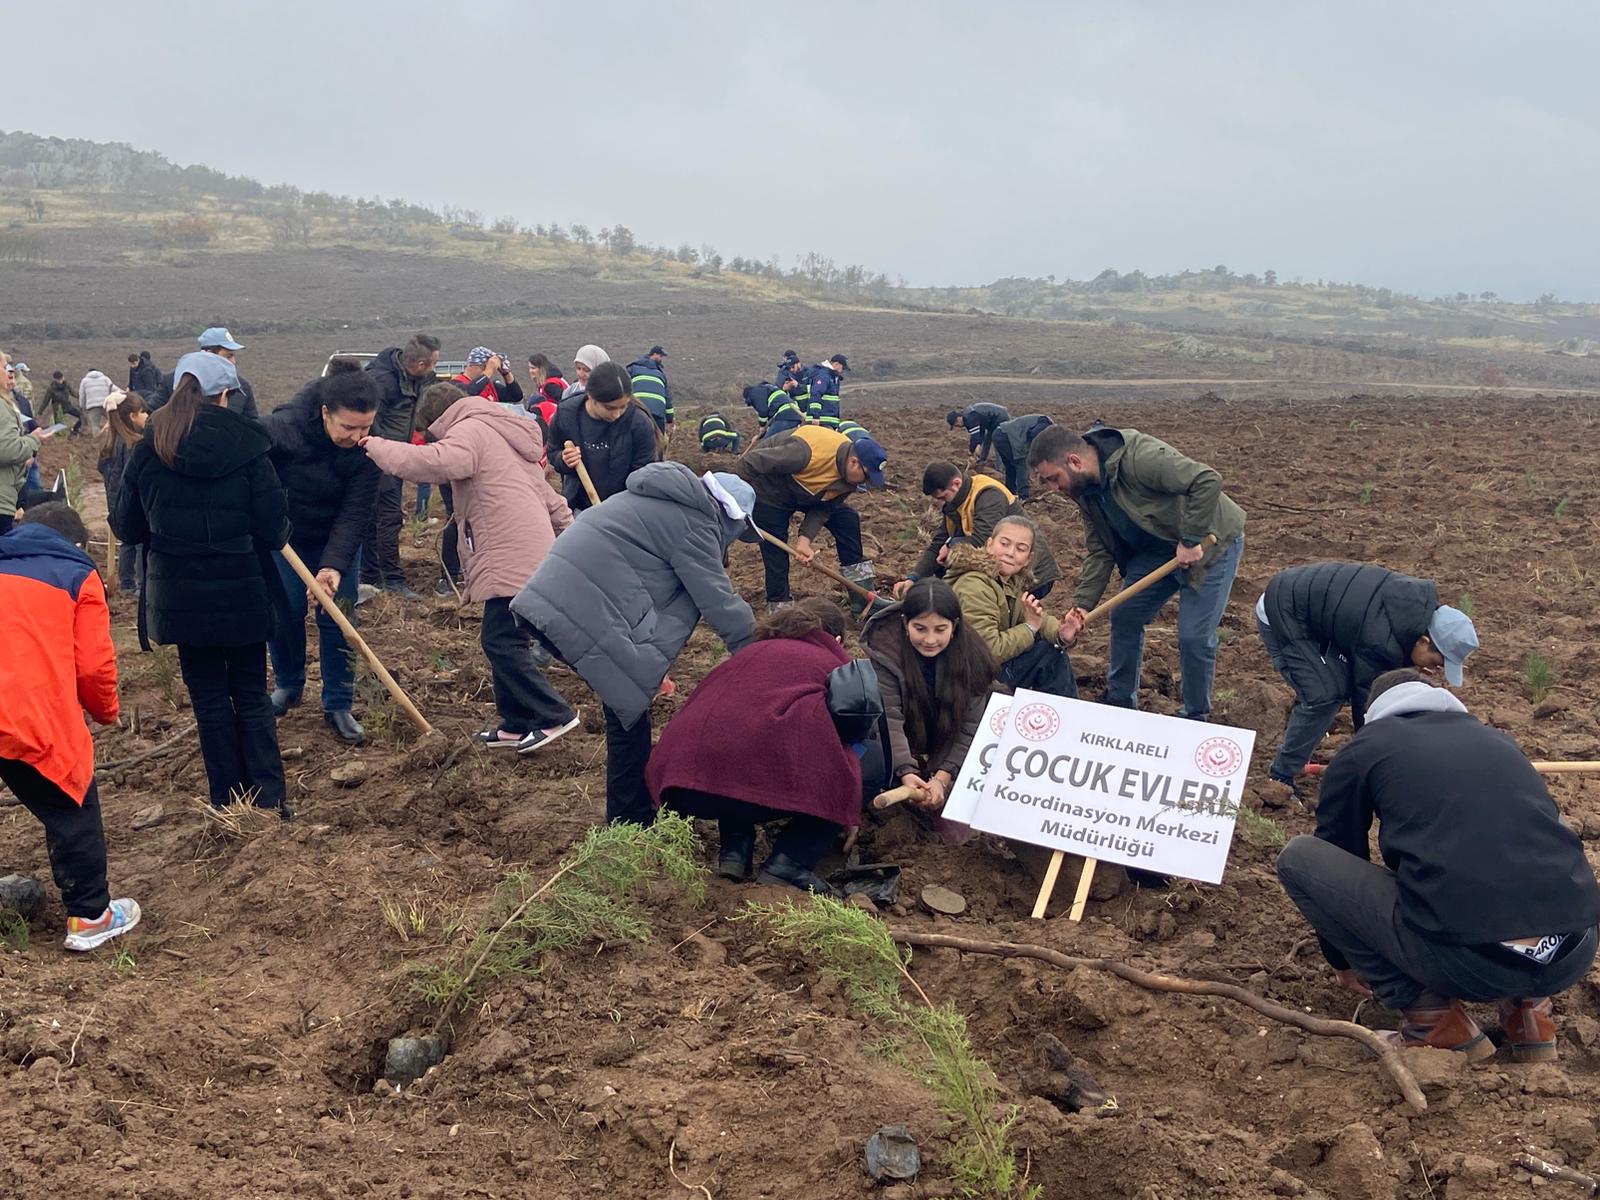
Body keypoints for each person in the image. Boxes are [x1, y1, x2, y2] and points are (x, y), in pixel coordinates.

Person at [1276, 669, 1600, 1060]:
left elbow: (1339, 851)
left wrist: (1344, 956)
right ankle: (1531, 1016)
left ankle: (1432, 1021)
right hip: (1574, 951)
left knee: (1299, 858)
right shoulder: (1498, 741)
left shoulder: (1364, 750)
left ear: (1375, 712)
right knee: (1525, 847)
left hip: (1471, 965)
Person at [511, 465, 758, 824]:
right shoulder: (696, 522)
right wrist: (760, 652)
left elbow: (640, 585)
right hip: (582, 606)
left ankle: (633, 813)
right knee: (629, 717)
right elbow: (718, 600)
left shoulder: (657, 500)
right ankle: (630, 821)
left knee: (630, 705)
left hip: (561, 597)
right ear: (732, 518)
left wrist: (650, 666)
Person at [111, 352, 292, 817]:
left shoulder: (152, 445)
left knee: (210, 700)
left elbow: (127, 529)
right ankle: (270, 803)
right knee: (251, 695)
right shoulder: (251, 447)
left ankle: (228, 804)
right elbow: (273, 531)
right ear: (227, 395)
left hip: (180, 598)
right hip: (243, 592)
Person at [365, 382, 579, 753]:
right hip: (526, 547)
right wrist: (572, 534)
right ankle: (515, 723)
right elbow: (548, 495)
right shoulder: (501, 432)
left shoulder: (468, 430)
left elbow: (435, 462)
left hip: (507, 548)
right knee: (505, 637)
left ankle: (552, 714)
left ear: (438, 420)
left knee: (502, 639)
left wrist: (374, 445)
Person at [1029, 424, 1245, 721]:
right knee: (1125, 616)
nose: (1054, 488)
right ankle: (1120, 701)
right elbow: (1100, 551)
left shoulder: (1139, 457)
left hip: (1211, 543)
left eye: (1054, 479)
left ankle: (1195, 717)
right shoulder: (1085, 492)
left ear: (1074, 462)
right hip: (1156, 550)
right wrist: (1081, 605)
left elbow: (1206, 480)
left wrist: (1191, 538)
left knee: (1193, 637)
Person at [648, 598, 863, 894]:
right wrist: (849, 803)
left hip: (678, 787)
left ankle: (735, 853)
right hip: (747, 792)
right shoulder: (835, 664)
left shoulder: (747, 655)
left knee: (738, 748)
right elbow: (856, 731)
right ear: (836, 639)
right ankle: (789, 864)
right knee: (847, 761)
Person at [0, 503, 141, 950]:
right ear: (78, 544)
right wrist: (105, 712)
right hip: (29, 715)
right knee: (71, 800)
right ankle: (90, 916)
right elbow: (94, 668)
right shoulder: (78, 577)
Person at [1256, 562, 1480, 800]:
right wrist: (1378, 768)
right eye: (1436, 662)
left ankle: (1300, 747)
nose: (1433, 669)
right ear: (1423, 641)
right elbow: (1368, 706)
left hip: (1317, 611)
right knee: (1324, 695)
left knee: (1329, 684)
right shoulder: (1381, 640)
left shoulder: (1414, 611)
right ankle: (1280, 777)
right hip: (1284, 610)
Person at [263, 370, 384, 745]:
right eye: (349, 427)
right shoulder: (287, 428)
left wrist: (333, 566)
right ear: (325, 412)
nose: (357, 436)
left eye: (365, 427)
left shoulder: (369, 449)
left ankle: (338, 704)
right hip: (286, 539)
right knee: (284, 611)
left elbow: (356, 512)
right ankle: (288, 684)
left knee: (338, 616)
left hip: (337, 536)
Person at [863, 579, 995, 821]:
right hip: (908, 732)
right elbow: (889, 717)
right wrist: (905, 770)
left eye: (940, 629)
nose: (930, 639)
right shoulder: (885, 653)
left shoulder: (973, 657)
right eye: (920, 628)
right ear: (905, 623)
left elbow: (970, 728)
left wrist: (943, 777)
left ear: (954, 626)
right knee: (868, 752)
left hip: (950, 732)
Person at [737, 424, 890, 613]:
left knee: (847, 519)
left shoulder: (851, 478)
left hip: (809, 493)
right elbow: (750, 462)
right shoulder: (804, 453)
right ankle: (780, 608)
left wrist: (804, 540)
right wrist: (738, 497)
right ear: (853, 462)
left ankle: (862, 599)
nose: (865, 483)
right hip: (770, 493)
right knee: (776, 550)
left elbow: (826, 506)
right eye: (866, 477)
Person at [946, 516, 1081, 697]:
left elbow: (1033, 614)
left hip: (987, 671)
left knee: (1051, 648)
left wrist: (1061, 632)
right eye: (1004, 544)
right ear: (989, 544)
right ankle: (1063, 718)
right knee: (1048, 657)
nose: (1011, 553)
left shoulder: (1009, 581)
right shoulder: (974, 585)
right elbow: (988, 649)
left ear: (1028, 559)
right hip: (966, 679)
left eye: (1020, 549)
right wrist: (1029, 628)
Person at [896, 461, 1060, 600]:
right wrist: (914, 578)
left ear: (956, 484)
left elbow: (982, 539)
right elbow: (937, 546)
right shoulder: (954, 504)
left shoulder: (988, 494)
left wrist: (951, 544)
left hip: (1031, 573)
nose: (939, 504)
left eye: (942, 497)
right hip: (1004, 570)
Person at [360, 333, 441, 600]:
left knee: (375, 518)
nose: (434, 369)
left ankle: (371, 575)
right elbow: (368, 418)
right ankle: (390, 579)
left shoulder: (414, 378)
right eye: (433, 363)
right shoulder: (382, 381)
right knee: (388, 517)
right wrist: (384, 450)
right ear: (419, 364)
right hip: (378, 459)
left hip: (394, 456)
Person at [549, 361, 661, 514]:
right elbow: (553, 452)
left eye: (623, 407)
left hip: (625, 511)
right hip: (579, 509)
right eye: (609, 408)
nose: (616, 415)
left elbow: (644, 474)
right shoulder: (567, 414)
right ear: (591, 396)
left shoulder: (638, 423)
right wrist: (563, 460)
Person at [95, 390, 149, 594]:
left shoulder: (108, 441)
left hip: (116, 502)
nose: (147, 415)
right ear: (132, 416)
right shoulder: (135, 444)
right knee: (141, 543)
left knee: (127, 541)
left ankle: (126, 582)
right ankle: (143, 585)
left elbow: (102, 469)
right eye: (143, 411)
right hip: (134, 500)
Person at [150, 328, 260, 421]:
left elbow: (254, 425)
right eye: (228, 356)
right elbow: (149, 414)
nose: (233, 362)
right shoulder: (174, 381)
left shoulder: (242, 387)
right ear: (209, 354)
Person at [2, 357, 58, 536]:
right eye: (5, 368)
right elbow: (7, 449)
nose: (10, 373)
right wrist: (33, 440)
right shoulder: (3, 407)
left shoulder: (16, 400)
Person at [991, 413, 1053, 499]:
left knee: (1011, 468)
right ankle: (1024, 497)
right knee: (1022, 465)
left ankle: (1010, 494)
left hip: (999, 433)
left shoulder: (1042, 422)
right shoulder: (1046, 424)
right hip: (1007, 437)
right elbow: (1032, 434)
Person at [626, 345, 674, 435]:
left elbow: (623, 386)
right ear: (654, 354)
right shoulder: (660, 375)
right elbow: (667, 398)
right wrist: (670, 419)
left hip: (638, 411)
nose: (661, 358)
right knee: (658, 441)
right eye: (660, 356)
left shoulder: (633, 368)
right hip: (657, 414)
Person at [948, 403, 1010, 467]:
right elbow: (981, 431)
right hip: (992, 421)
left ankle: (999, 468)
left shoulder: (969, 418)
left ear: (958, 419)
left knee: (998, 441)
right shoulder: (968, 416)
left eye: (956, 424)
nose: (957, 426)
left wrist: (972, 451)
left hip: (1000, 417)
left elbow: (975, 437)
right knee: (987, 438)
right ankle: (982, 459)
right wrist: (979, 444)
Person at [799, 354, 849, 429]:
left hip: (826, 421)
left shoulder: (831, 377)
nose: (842, 371)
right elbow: (816, 394)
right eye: (842, 368)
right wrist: (815, 416)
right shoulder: (824, 375)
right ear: (836, 364)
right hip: (821, 421)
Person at [526, 353, 565, 424]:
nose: (530, 371)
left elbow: (565, 401)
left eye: (533, 368)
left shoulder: (550, 386)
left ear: (541, 369)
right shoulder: (550, 381)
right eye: (529, 368)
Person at [79, 368, 116, 437]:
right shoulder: (105, 378)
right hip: (106, 404)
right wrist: (124, 393)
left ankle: (98, 442)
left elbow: (82, 395)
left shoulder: (84, 381)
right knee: (112, 422)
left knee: (95, 425)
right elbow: (113, 388)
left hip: (92, 406)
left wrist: (82, 406)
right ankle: (113, 438)